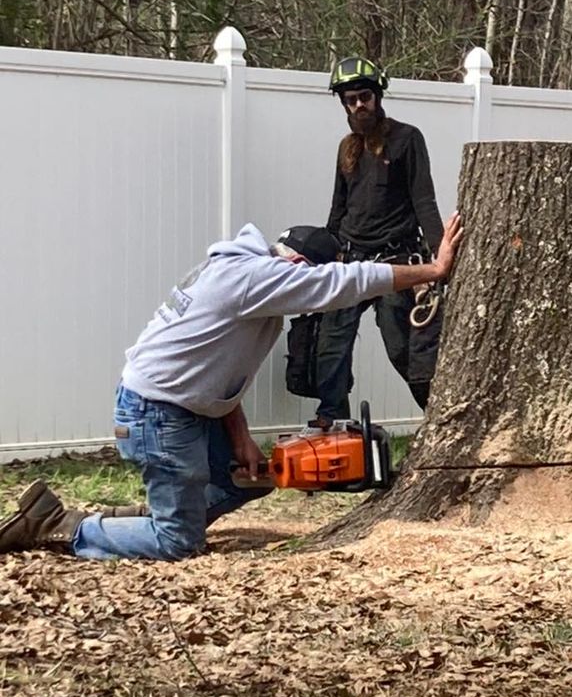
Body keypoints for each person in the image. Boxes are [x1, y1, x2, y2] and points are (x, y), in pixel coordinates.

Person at [0, 213, 462, 560]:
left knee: (245, 482)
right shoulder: (255, 278)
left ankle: (149, 519)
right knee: (178, 544)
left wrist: (241, 439)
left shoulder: (243, 275)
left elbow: (216, 372)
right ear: (297, 266)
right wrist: (432, 271)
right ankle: (59, 525)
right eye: (305, 282)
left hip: (179, 406)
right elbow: (345, 282)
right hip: (158, 414)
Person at [311, 56, 445, 429]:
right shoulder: (346, 148)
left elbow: (424, 201)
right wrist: (326, 256)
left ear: (378, 96)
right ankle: (332, 422)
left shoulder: (407, 139)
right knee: (331, 346)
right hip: (351, 259)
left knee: (402, 348)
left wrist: (441, 260)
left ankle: (439, 419)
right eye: (350, 100)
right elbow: (338, 208)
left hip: (395, 261)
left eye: (365, 97)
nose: (359, 105)